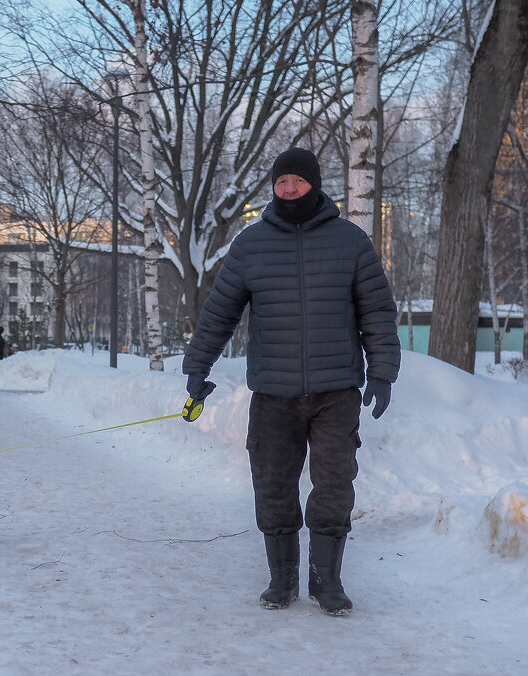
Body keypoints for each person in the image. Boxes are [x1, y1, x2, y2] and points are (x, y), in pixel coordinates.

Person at [181, 147, 400, 616]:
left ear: (314, 184)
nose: (290, 188)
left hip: (335, 391)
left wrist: (382, 372)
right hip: (273, 393)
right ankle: (282, 580)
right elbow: (219, 313)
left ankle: (326, 581)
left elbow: (377, 312)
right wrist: (197, 367)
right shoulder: (250, 245)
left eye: (298, 180)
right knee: (273, 485)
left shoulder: (350, 241)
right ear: (273, 187)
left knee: (334, 485)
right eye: (282, 182)